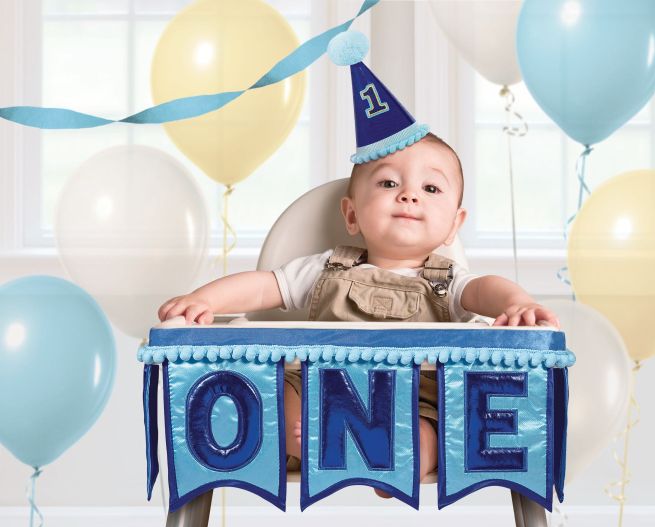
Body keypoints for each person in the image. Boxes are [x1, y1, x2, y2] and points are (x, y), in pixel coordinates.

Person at [158, 30, 560, 498]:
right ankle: (304, 439)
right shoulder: (325, 268)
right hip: (320, 392)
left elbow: (487, 290)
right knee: (280, 398)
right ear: (351, 214)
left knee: (434, 430)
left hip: (411, 404)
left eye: (431, 189)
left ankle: (405, 455)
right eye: (388, 183)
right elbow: (261, 287)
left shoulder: (448, 282)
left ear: (454, 225)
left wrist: (520, 303)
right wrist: (202, 299)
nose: (409, 194)